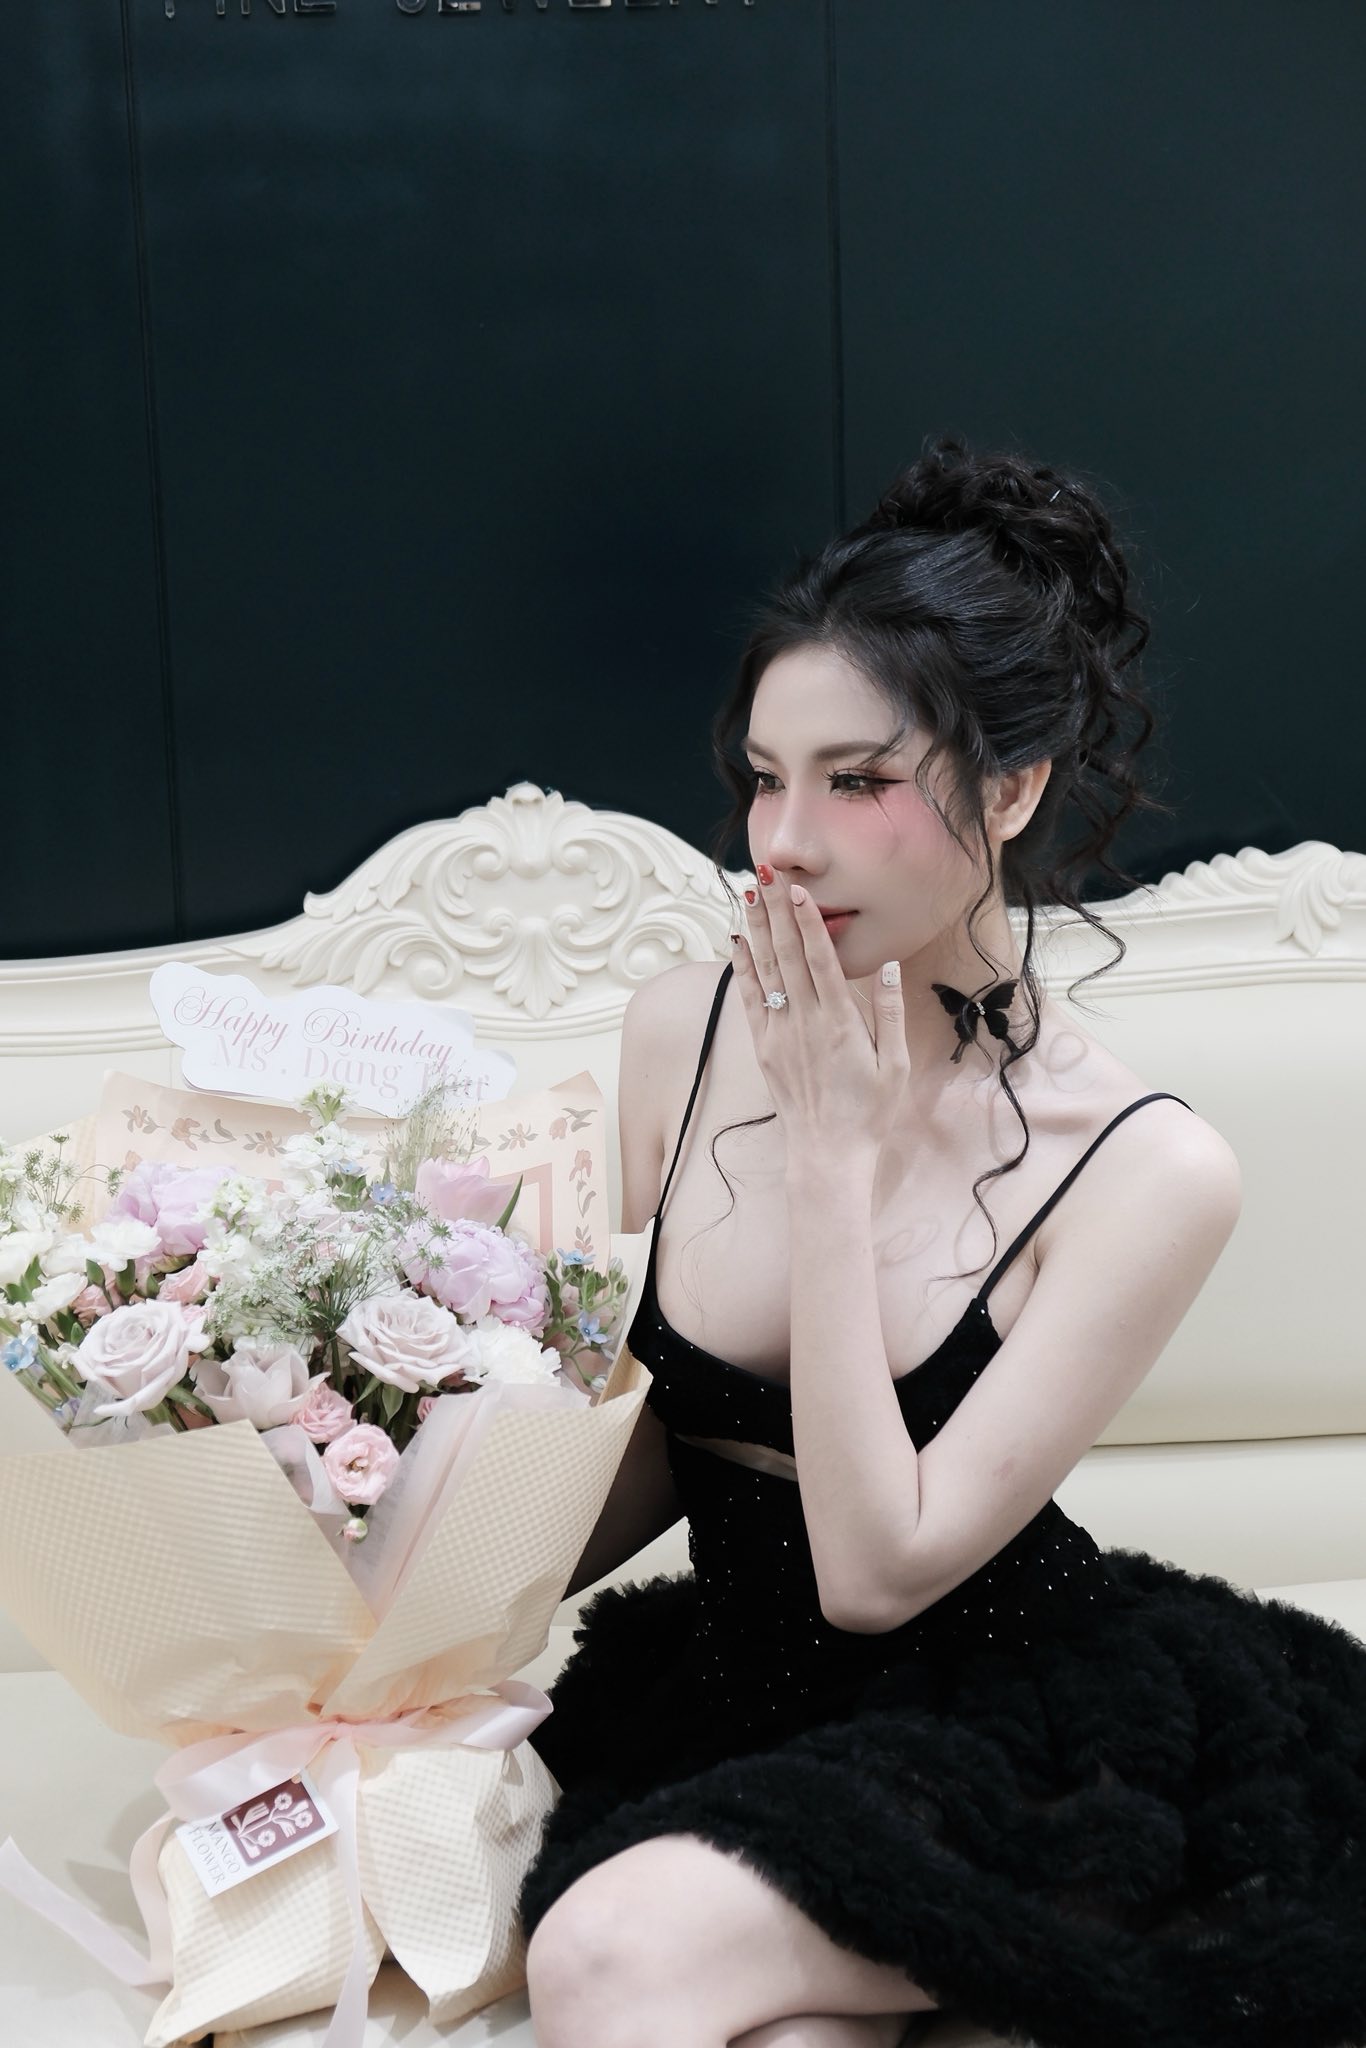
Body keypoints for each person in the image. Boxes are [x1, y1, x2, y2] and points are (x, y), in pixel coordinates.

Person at [514, 436, 1366, 2048]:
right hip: (721, 1702)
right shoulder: (676, 1033)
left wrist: (832, 1162)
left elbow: (874, 1572)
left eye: (856, 782)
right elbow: (666, 1441)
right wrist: (379, 1544)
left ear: (1012, 786)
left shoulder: (1141, 1165)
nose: (783, 840)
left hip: (1011, 1731)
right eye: (763, 777)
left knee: (611, 1959)